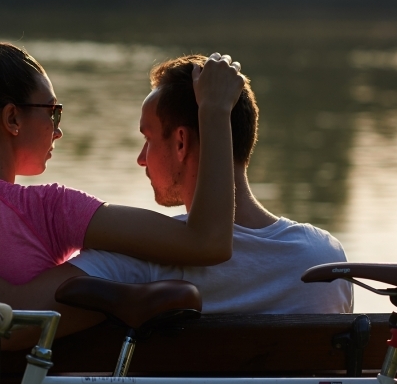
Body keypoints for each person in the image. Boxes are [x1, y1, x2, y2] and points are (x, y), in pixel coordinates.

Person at [0, 12, 245, 327]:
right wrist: (213, 110)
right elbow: (207, 242)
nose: (58, 130)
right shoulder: (47, 210)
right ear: (12, 119)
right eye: (53, 111)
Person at [68, 55, 352, 314]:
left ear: (181, 142)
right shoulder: (324, 259)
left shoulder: (143, 259)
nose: (142, 159)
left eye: (148, 138)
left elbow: (38, 312)